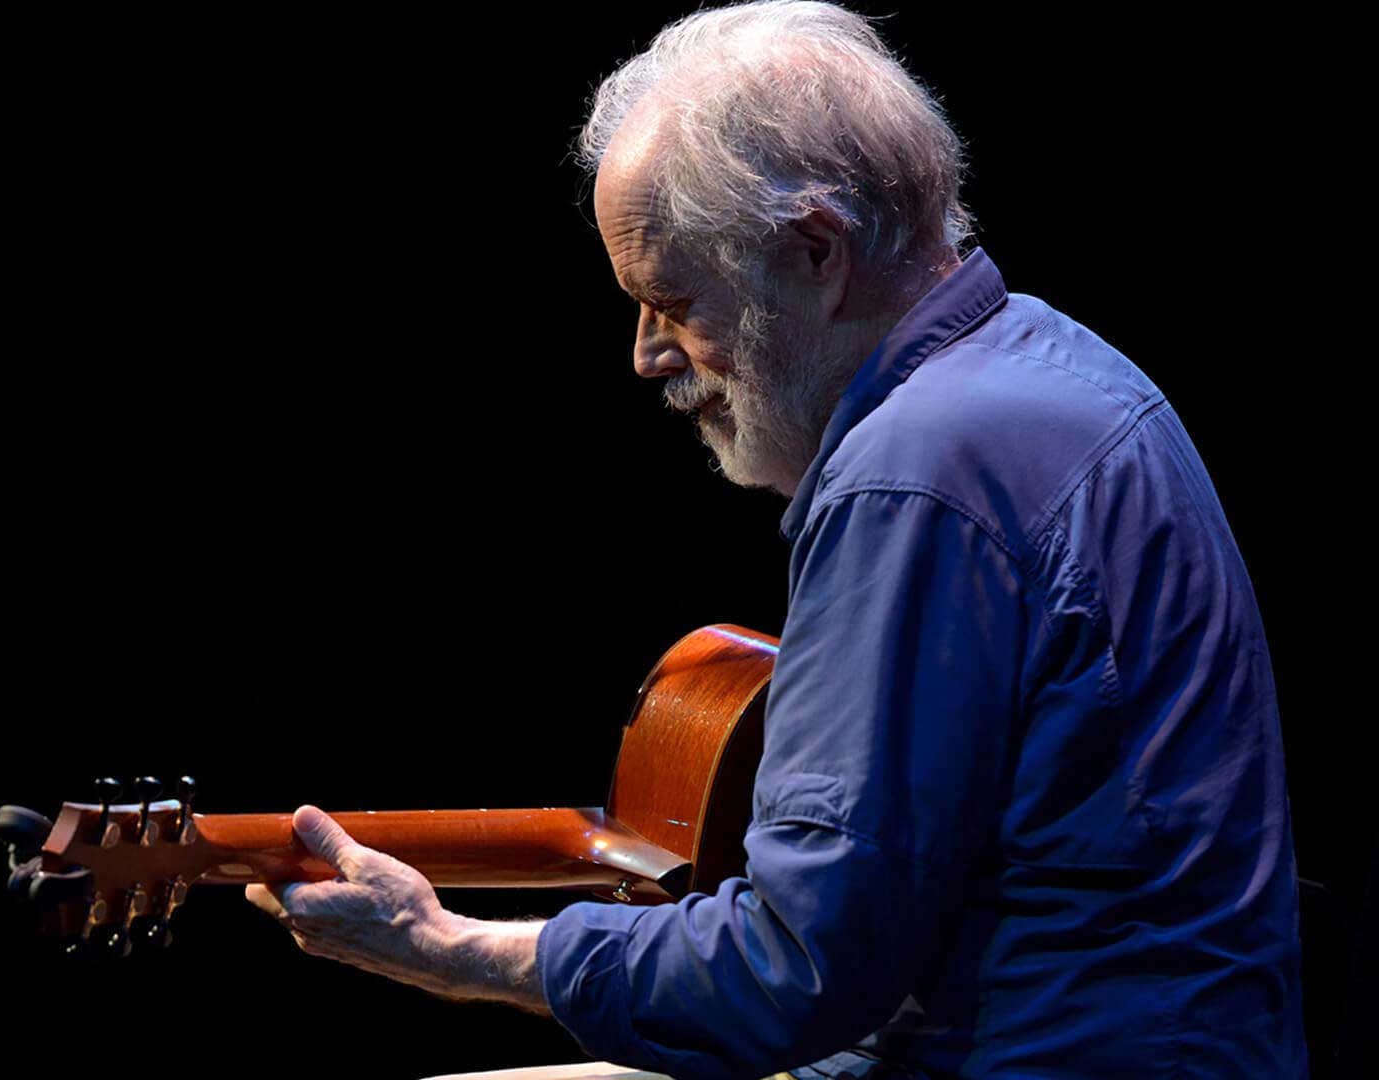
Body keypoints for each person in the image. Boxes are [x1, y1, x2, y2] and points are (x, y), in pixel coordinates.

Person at [242, 3, 1308, 1076]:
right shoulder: (1054, 363)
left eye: (672, 299)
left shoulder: (918, 471)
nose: (648, 355)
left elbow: (794, 970)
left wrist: (452, 951)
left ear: (815, 250)